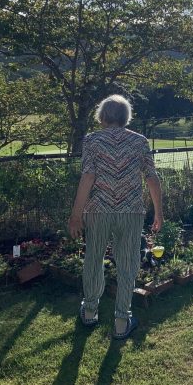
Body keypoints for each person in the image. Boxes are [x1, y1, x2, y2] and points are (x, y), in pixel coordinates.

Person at [67, 94, 164, 339]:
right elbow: (151, 177)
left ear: (102, 116)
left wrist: (75, 216)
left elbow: (87, 177)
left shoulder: (92, 141)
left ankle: (90, 312)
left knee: (93, 259)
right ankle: (122, 320)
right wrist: (159, 212)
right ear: (125, 117)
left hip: (98, 212)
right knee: (128, 263)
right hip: (130, 212)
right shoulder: (139, 141)